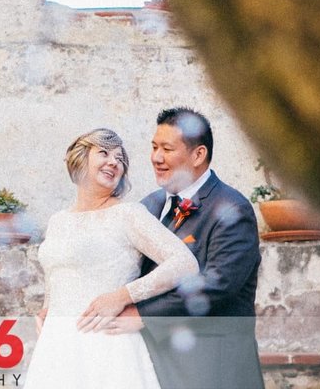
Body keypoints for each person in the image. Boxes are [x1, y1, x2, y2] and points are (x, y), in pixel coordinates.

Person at [25, 128, 197, 388]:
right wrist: (48, 307)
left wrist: (122, 297)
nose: (114, 162)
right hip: (57, 348)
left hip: (107, 346)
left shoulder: (128, 214)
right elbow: (57, 272)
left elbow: (185, 264)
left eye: (119, 158)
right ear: (80, 159)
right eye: (103, 153)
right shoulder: (57, 221)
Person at [127, 107, 264, 389]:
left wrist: (142, 315)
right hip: (157, 366)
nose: (156, 157)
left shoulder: (231, 209)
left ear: (198, 155)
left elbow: (219, 283)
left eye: (167, 148)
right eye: (154, 147)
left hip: (215, 369)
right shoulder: (148, 206)